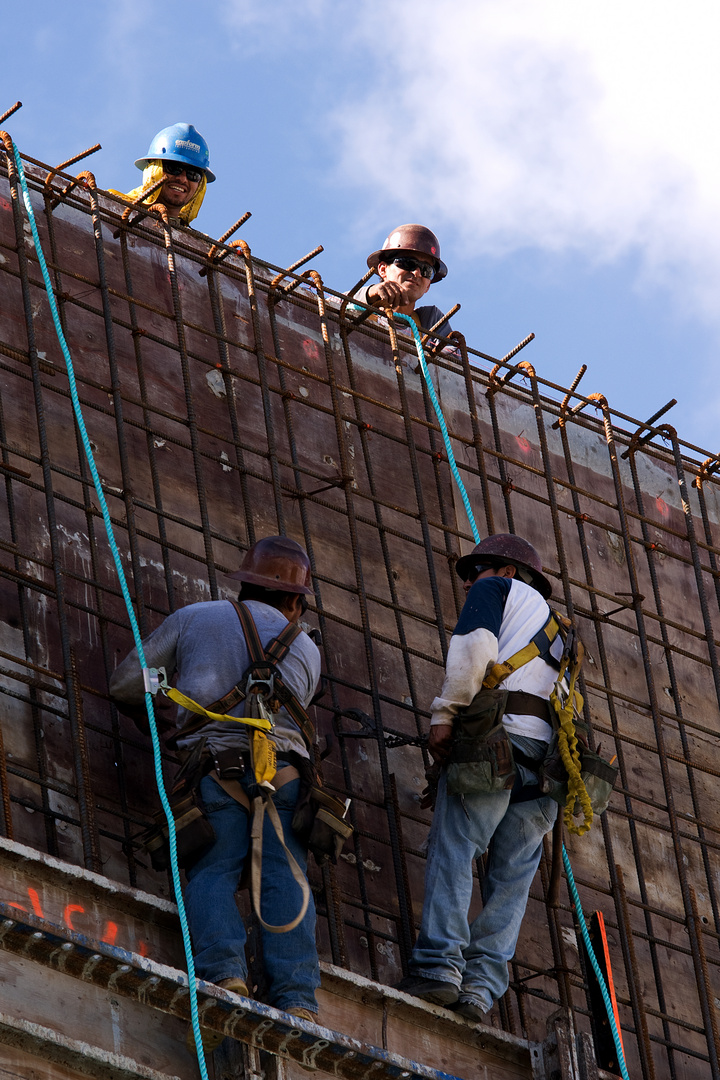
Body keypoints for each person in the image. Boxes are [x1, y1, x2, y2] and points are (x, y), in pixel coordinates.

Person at [109, 536, 321, 1044]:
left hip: (216, 768)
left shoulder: (196, 617)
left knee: (214, 868)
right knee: (284, 876)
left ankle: (223, 973)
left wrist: (163, 696)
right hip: (286, 776)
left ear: (245, 582)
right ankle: (296, 999)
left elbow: (124, 683)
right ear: (295, 602)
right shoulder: (307, 648)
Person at [399, 534, 567, 1023]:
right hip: (546, 765)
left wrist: (445, 713)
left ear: (508, 572)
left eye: (477, 572)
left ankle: (438, 968)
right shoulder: (561, 629)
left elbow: (474, 650)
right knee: (513, 877)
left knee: (455, 846)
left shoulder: (496, 593)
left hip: (495, 744)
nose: (470, 583)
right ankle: (479, 990)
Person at [350, 224, 454, 337]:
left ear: (428, 285)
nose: (417, 273)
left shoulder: (430, 323)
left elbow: (452, 353)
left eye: (427, 270)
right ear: (383, 269)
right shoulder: (348, 308)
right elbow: (335, 305)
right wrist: (370, 294)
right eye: (408, 263)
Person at [109, 122, 215, 226]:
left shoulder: (194, 242)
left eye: (193, 174)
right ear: (153, 169)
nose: (183, 179)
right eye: (173, 168)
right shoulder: (110, 207)